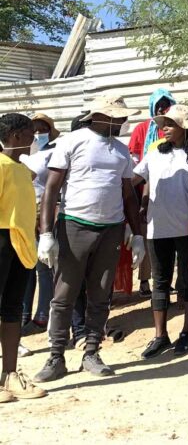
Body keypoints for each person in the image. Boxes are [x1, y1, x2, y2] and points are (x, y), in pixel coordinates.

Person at [34, 96, 146, 382]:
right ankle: (56, 356)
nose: (123, 122)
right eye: (118, 118)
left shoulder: (121, 151)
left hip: (111, 229)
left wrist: (137, 235)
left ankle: (92, 352)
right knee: (64, 295)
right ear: (100, 116)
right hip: (74, 225)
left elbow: (128, 196)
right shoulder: (73, 141)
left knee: (100, 295)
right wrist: (46, 233)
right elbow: (51, 188)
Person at [133, 105, 188, 359]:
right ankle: (160, 335)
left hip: (187, 229)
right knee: (160, 281)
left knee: (187, 282)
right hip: (157, 228)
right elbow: (136, 180)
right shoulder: (155, 153)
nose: (163, 128)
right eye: (163, 124)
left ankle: (186, 332)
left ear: (185, 128)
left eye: (170, 124)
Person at [0, 113, 47, 401]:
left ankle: (10, 374)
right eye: (30, 133)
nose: (34, 139)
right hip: (2, 240)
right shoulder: (2, 166)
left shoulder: (20, 168)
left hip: (20, 244)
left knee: (12, 309)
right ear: (16, 136)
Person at [127, 88, 175, 298]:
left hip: (170, 191)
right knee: (148, 236)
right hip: (143, 189)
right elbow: (133, 156)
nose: (163, 109)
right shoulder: (142, 129)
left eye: (167, 105)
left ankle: (163, 279)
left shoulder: (174, 129)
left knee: (169, 238)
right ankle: (145, 280)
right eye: (159, 106)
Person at [20, 113, 60, 337]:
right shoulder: (23, 153)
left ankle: (43, 314)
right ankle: (24, 314)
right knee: (26, 267)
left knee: (44, 267)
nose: (37, 133)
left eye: (42, 128)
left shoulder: (53, 153)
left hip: (44, 212)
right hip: (23, 213)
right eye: (33, 129)